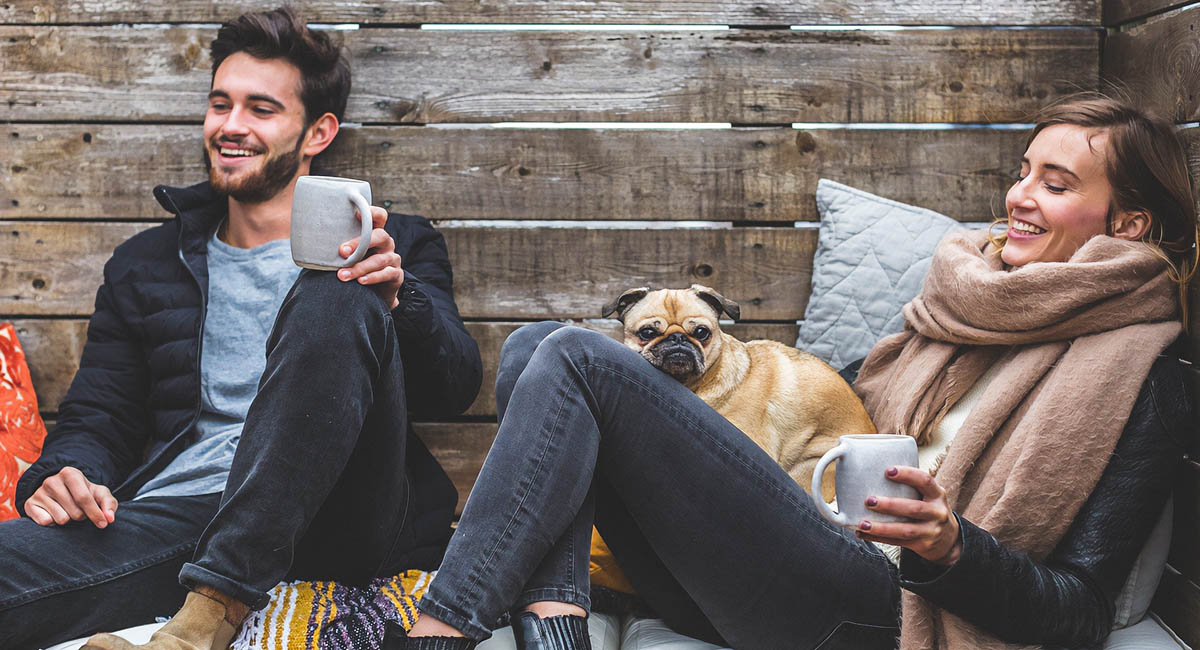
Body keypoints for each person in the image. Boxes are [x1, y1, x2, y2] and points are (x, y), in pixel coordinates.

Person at [396, 95, 1197, 650]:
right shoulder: (971, 304)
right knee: (541, 343)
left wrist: (952, 549)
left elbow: (1085, 612)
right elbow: (844, 402)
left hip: (881, 615)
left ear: (1127, 223)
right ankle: (558, 613)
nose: (1019, 197)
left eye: (1054, 185)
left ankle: (443, 627)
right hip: (784, 563)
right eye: (1023, 170)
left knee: (574, 354)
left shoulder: (1139, 371)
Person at [0, 7, 481, 650]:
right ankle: (210, 593)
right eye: (220, 104)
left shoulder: (397, 242)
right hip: (181, 517)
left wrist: (400, 297)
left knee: (339, 287)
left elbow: (455, 387)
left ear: (317, 132)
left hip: (339, 511)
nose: (230, 126)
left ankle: (211, 617)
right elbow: (99, 419)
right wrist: (60, 477)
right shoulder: (145, 263)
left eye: (260, 109)